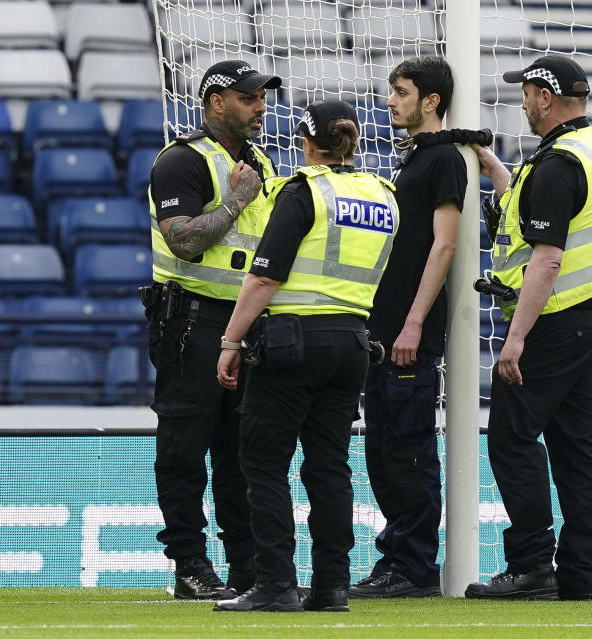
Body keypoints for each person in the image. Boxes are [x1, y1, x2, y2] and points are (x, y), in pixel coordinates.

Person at [213, 100, 400, 613]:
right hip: (354, 343)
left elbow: (266, 275)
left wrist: (231, 340)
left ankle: (274, 583)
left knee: (264, 462)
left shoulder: (302, 191)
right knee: (329, 467)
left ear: (308, 142)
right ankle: (332, 587)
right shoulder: (384, 195)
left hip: (292, 341)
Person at [463, 54, 592, 601]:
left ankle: (532, 562)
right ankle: (582, 572)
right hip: (591, 316)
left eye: (527, 91)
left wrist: (515, 341)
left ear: (545, 96)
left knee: (512, 438)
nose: (522, 102)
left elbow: (548, 258)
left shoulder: (559, 163)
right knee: (577, 446)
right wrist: (494, 169)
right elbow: (542, 211)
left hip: (553, 320)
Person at [144, 60, 281, 600]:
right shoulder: (181, 161)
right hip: (190, 322)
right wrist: (235, 201)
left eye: (261, 97)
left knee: (242, 451)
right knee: (184, 446)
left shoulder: (261, 161)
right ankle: (190, 563)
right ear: (216, 102)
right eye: (248, 98)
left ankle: (246, 566)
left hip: (245, 325)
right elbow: (183, 240)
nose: (260, 107)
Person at [348, 56, 466, 599]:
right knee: (384, 451)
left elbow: (445, 244)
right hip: (385, 331)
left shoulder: (441, 160)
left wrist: (414, 323)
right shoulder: (415, 159)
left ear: (431, 101)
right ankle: (397, 559)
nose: (390, 101)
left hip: (407, 335)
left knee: (408, 451)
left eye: (399, 92)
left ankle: (414, 568)